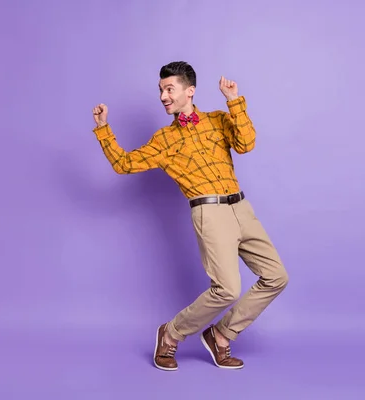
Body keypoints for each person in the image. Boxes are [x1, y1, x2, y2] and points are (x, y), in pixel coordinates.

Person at [91, 61, 289, 371]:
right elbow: (124, 164)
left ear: (190, 91)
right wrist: (103, 129)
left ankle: (221, 335)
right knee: (227, 289)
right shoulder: (164, 140)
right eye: (160, 90)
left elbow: (246, 144)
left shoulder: (217, 120)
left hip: (241, 208)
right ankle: (171, 334)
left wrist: (234, 100)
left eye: (169, 89)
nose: (163, 96)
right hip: (208, 212)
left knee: (276, 276)